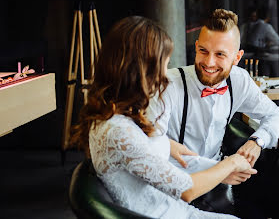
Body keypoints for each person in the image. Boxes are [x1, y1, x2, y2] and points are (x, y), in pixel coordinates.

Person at [71, 16, 256, 219]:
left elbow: (141, 155)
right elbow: (187, 191)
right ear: (141, 69)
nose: (164, 75)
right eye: (162, 65)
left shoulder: (112, 115)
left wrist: (167, 144)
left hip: (171, 208)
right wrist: (231, 163)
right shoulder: (118, 130)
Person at [147, 9, 279, 216]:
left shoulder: (239, 80)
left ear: (237, 57)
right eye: (203, 51)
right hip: (172, 188)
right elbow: (152, 151)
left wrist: (257, 141)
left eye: (220, 54)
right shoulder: (168, 85)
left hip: (219, 185)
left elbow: (275, 115)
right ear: (195, 47)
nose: (209, 62)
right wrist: (220, 170)